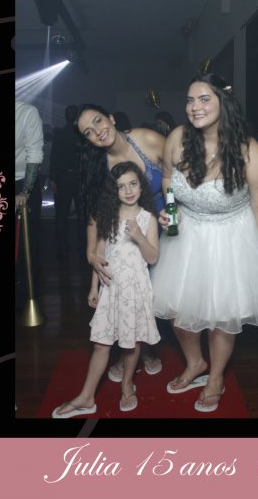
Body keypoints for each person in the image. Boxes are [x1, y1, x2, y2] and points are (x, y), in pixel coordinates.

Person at [150, 72, 258, 413]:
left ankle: (215, 377)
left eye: (204, 99)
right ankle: (195, 362)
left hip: (231, 237)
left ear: (223, 102)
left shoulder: (250, 152)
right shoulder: (177, 138)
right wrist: (169, 209)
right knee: (177, 311)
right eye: (190, 100)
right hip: (187, 235)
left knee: (221, 316)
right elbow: (168, 178)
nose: (195, 107)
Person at [52, 162, 161, 418]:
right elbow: (99, 257)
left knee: (131, 343)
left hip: (135, 289)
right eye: (121, 187)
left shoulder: (148, 219)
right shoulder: (108, 218)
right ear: (114, 191)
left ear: (141, 186)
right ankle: (86, 396)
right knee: (101, 343)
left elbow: (153, 257)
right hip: (110, 289)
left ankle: (127, 384)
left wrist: (139, 236)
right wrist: (94, 287)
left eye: (132, 184)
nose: (128, 191)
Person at [77, 104, 167, 379]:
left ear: (112, 118)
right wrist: (91, 252)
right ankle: (132, 352)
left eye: (98, 121)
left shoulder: (146, 139)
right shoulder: (98, 166)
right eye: (88, 132)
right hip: (127, 234)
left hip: (167, 225)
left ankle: (146, 348)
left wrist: (179, 211)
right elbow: (96, 214)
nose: (97, 132)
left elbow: (181, 173)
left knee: (160, 295)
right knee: (131, 292)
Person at [14, 100, 44, 309]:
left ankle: (26, 297)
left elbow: (34, 154)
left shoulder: (26, 112)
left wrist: (25, 192)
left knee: (26, 243)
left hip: (22, 181)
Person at [50, 105, 85, 259]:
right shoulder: (81, 133)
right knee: (82, 215)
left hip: (64, 178)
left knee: (61, 214)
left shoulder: (60, 133)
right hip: (80, 178)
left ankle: (62, 248)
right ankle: (83, 247)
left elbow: (54, 156)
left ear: (65, 116)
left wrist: (53, 178)